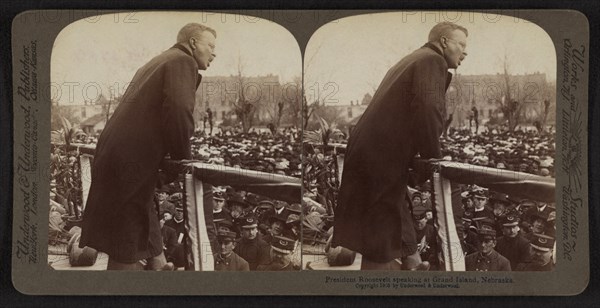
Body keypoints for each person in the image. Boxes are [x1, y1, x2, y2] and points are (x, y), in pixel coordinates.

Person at [80, 23, 217, 270]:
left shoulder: (155, 62)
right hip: (132, 163)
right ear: (194, 43)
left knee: (143, 227)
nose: (214, 53)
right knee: (126, 246)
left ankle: (158, 266)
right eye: (211, 46)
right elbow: (178, 110)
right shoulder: (182, 61)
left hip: (114, 155)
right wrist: (182, 160)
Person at [333, 21, 468, 270]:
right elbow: (428, 108)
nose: (465, 52)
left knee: (383, 225)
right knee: (381, 237)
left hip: (369, 152)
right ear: (444, 42)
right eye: (461, 44)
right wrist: (432, 158)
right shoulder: (432, 60)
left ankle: (411, 259)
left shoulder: (411, 59)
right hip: (381, 157)